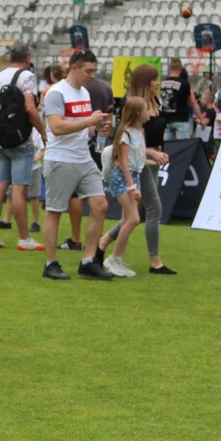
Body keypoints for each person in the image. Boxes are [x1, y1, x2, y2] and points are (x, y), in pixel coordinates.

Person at [96, 63, 175, 275]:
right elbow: (131, 140)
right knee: (154, 209)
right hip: (139, 162)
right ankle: (155, 261)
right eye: (155, 79)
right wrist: (151, 153)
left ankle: (104, 242)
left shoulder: (156, 100)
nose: (158, 83)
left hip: (151, 160)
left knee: (138, 211)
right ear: (145, 81)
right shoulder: (132, 105)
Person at [40, 49, 112, 280]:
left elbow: (81, 125)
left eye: (94, 71)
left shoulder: (83, 93)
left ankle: (88, 260)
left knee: (100, 204)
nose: (92, 76)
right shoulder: (56, 93)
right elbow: (57, 127)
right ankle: (50, 263)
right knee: (55, 211)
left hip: (82, 157)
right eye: (88, 71)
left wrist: (96, 128)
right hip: (61, 158)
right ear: (74, 68)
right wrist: (89, 121)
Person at [0, 42, 46, 251]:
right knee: (19, 189)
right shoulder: (27, 77)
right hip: (20, 139)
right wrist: (43, 132)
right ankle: (24, 238)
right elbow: (30, 109)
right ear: (27, 59)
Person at [100, 96, 153, 277]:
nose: (149, 113)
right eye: (146, 109)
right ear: (138, 113)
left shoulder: (139, 132)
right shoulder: (125, 134)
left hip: (132, 176)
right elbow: (123, 161)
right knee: (134, 219)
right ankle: (114, 258)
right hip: (122, 178)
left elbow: (137, 159)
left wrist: (156, 160)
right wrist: (132, 186)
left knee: (126, 220)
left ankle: (117, 258)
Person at [159, 58, 202, 141]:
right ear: (181, 68)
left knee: (167, 146)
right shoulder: (184, 83)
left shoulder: (163, 82)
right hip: (181, 119)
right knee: (183, 146)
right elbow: (192, 102)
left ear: (169, 67)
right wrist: (200, 118)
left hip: (166, 118)